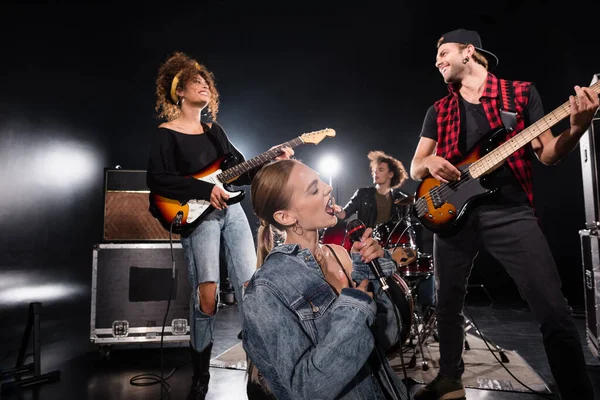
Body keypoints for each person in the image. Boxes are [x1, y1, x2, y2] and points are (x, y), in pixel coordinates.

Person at [410, 29, 599, 400]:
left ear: (469, 52)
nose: (437, 60)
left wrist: (576, 128)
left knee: (552, 308)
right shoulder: (438, 110)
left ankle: (577, 392)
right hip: (450, 213)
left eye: (443, 52)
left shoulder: (521, 94)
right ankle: (449, 379)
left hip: (510, 210)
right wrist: (429, 161)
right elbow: (415, 166)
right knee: (447, 302)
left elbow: (547, 154)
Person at [146, 51, 292, 400]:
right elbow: (159, 179)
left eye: (207, 82)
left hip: (231, 212)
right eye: (196, 82)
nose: (205, 86)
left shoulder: (216, 132)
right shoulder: (166, 134)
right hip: (197, 215)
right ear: (179, 92)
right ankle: (201, 379)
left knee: (249, 289)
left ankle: (259, 378)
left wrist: (273, 159)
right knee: (207, 298)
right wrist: (204, 189)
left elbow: (241, 171)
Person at [242, 159, 410, 399]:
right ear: (286, 216)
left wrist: (372, 274)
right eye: (314, 189)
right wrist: (355, 311)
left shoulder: (341, 254)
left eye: (321, 180)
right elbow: (307, 390)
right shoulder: (267, 288)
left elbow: (387, 338)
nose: (328, 188)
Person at [335, 150, 436, 313]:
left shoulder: (401, 198)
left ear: (391, 174)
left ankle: (427, 310)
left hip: (390, 248)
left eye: (380, 170)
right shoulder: (363, 194)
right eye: (374, 170)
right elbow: (344, 213)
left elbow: (410, 224)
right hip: (366, 245)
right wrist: (335, 209)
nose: (376, 173)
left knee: (425, 265)